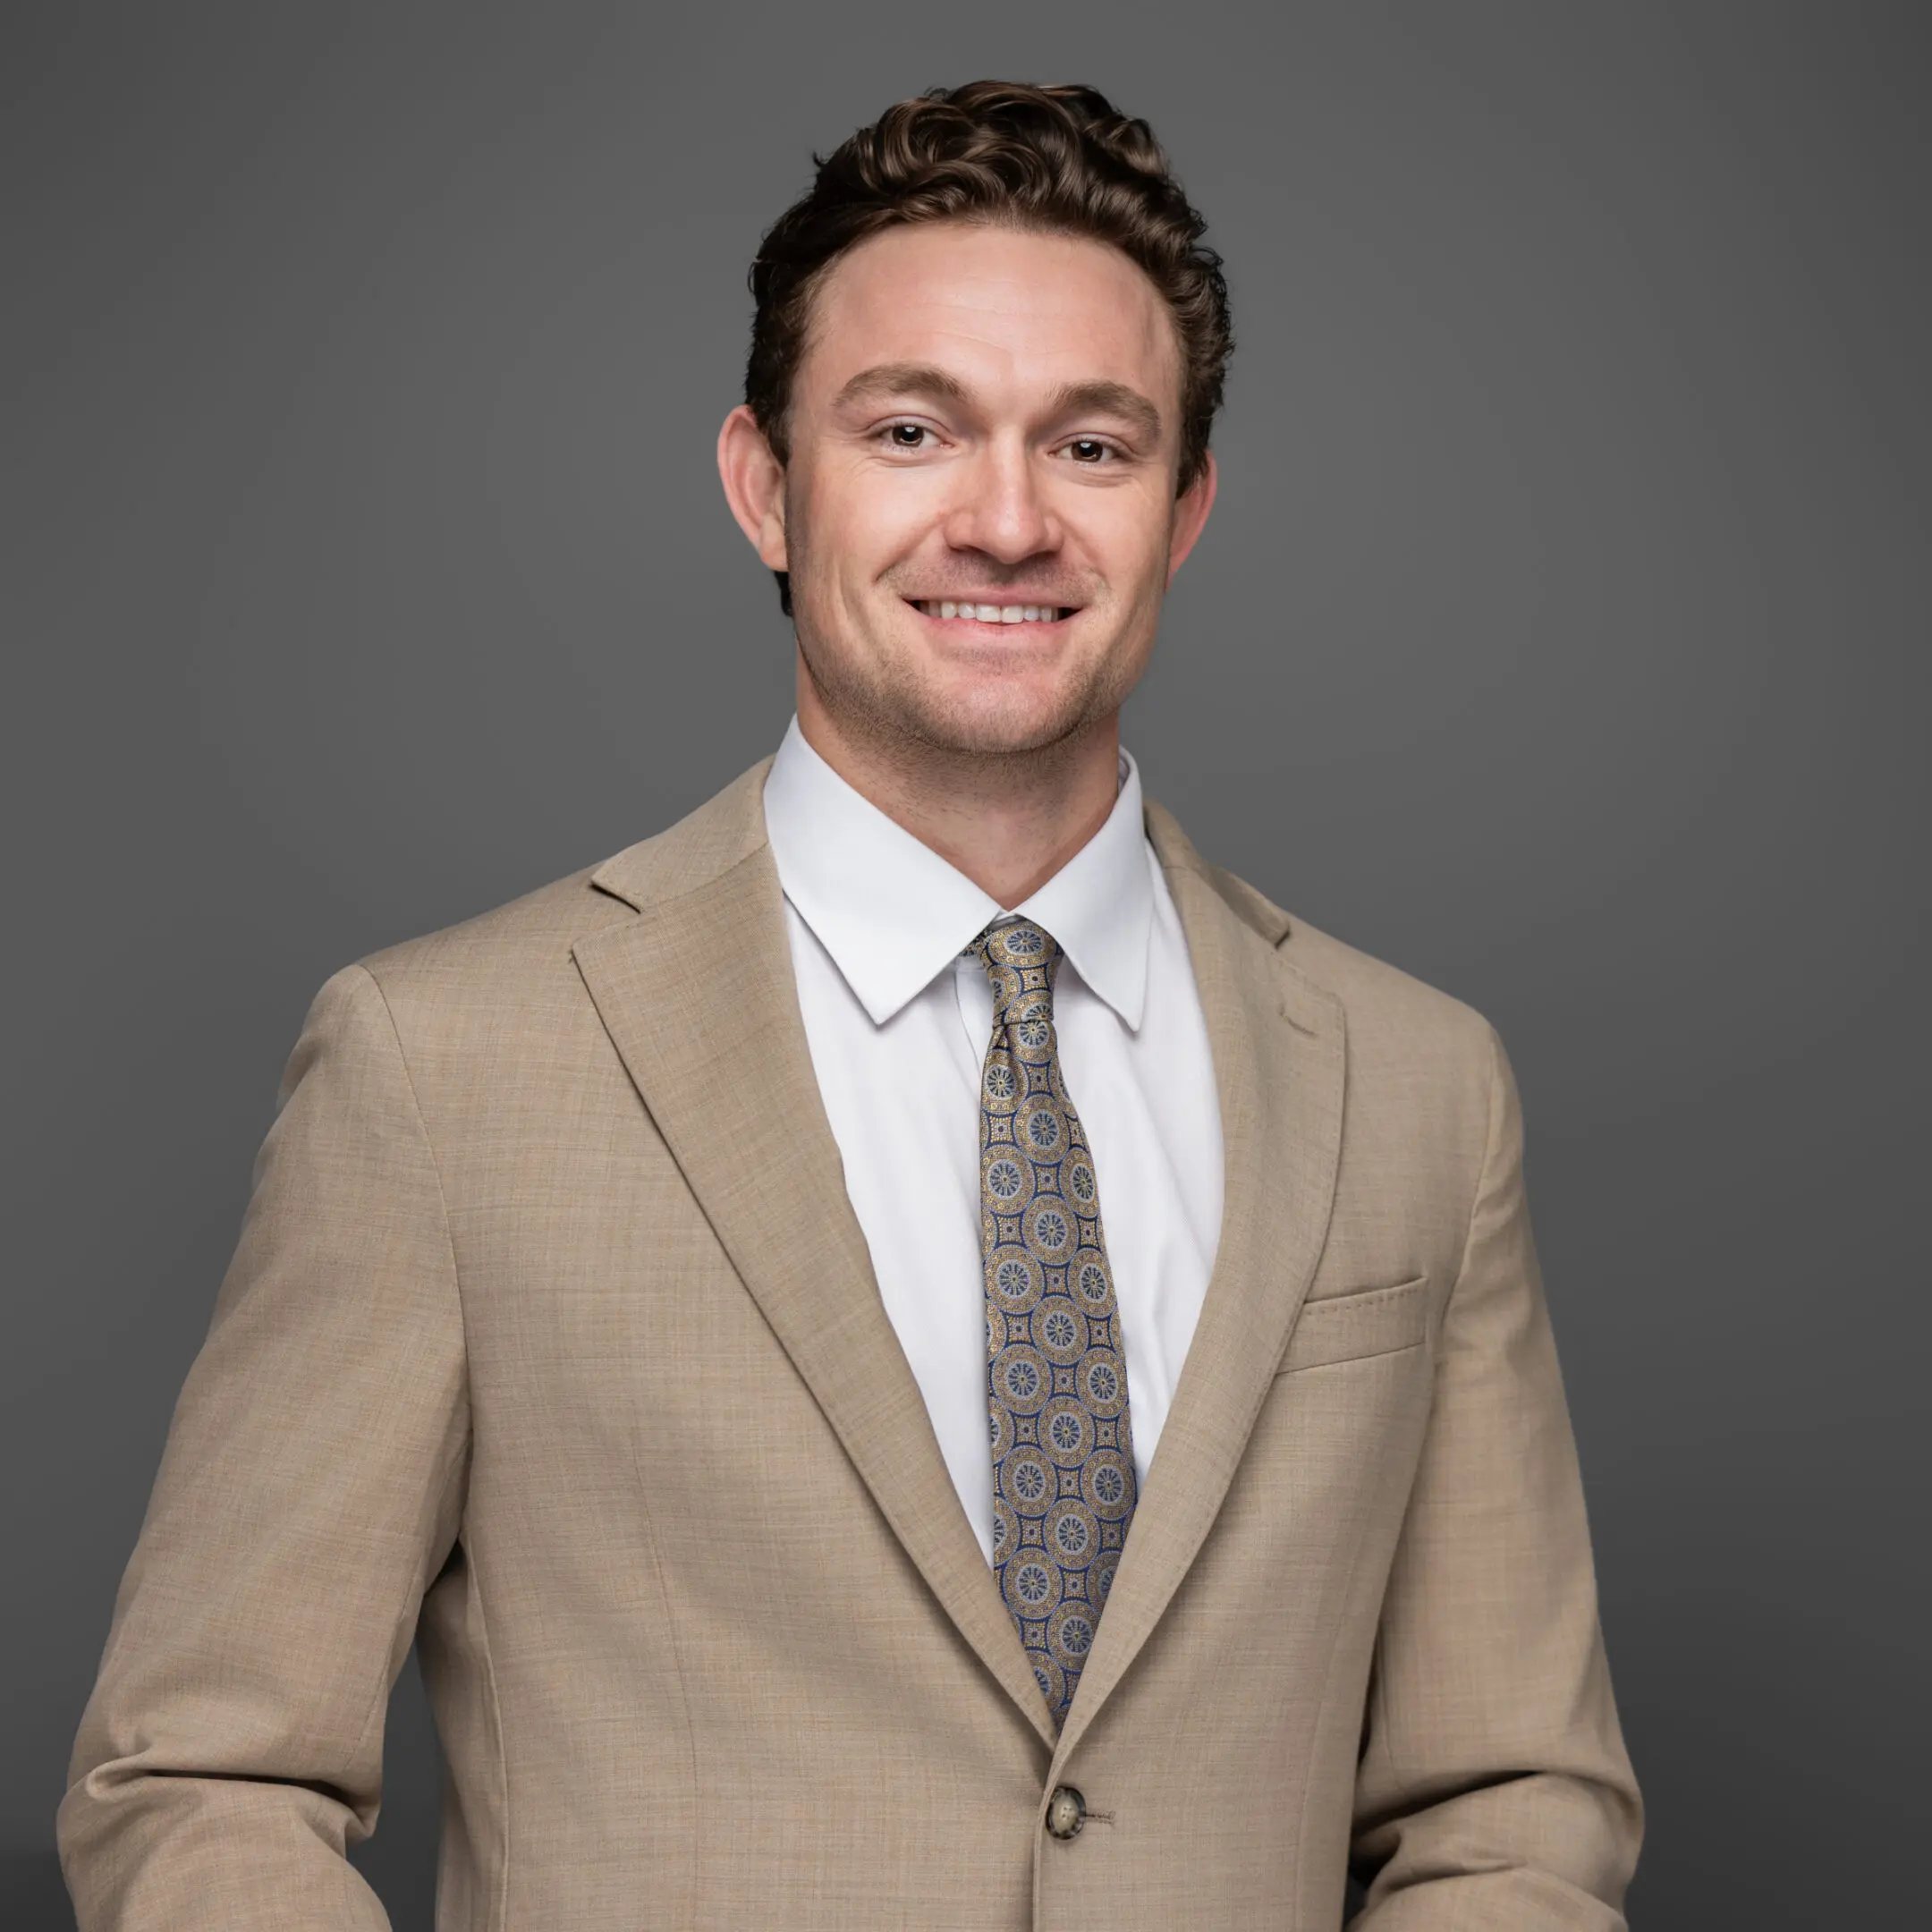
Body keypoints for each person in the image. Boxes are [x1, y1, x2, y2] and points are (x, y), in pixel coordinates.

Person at [60, 80, 1641, 1929]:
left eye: (1094, 445)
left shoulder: (1417, 1085)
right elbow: (207, 1780)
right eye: (911, 429)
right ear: (766, 487)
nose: (1007, 520)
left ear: (1186, 507)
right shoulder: (445, 1070)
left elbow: (1510, 1803)